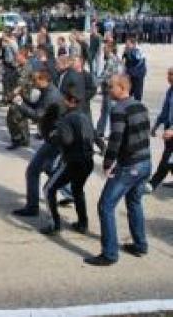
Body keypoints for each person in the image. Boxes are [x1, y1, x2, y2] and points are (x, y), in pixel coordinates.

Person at [85, 74, 151, 266]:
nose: (107, 90)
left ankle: (110, 254)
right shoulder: (140, 105)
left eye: (110, 87)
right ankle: (140, 245)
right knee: (134, 202)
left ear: (122, 87)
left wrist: (107, 164)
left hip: (131, 166)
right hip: (145, 162)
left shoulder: (118, 109)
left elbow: (116, 139)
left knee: (105, 206)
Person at [41, 88, 101, 235]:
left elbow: (67, 140)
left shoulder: (66, 119)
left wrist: (55, 135)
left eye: (64, 99)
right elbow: (95, 136)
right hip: (88, 161)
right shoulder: (85, 116)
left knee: (48, 189)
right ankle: (82, 223)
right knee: (77, 189)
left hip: (73, 161)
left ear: (69, 101)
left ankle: (54, 224)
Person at [12, 69, 65, 216]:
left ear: (43, 80)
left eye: (35, 81)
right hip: (53, 137)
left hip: (54, 139)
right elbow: (37, 106)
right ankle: (70, 193)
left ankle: (32, 207)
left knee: (32, 171)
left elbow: (37, 115)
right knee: (49, 169)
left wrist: (20, 104)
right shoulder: (48, 90)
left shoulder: (51, 95)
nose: (33, 84)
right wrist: (22, 99)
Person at [146, 67, 173, 192]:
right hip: (169, 128)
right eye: (168, 74)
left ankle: (152, 183)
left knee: (167, 157)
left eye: (171, 75)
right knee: (170, 156)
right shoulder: (170, 91)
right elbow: (165, 111)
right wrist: (156, 125)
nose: (168, 77)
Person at [96, 43, 122, 138]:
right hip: (110, 88)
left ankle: (111, 132)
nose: (104, 51)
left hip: (110, 89)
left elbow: (105, 75)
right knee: (105, 110)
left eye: (105, 49)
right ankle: (100, 130)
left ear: (110, 50)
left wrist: (95, 84)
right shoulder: (117, 59)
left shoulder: (111, 60)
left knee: (109, 111)